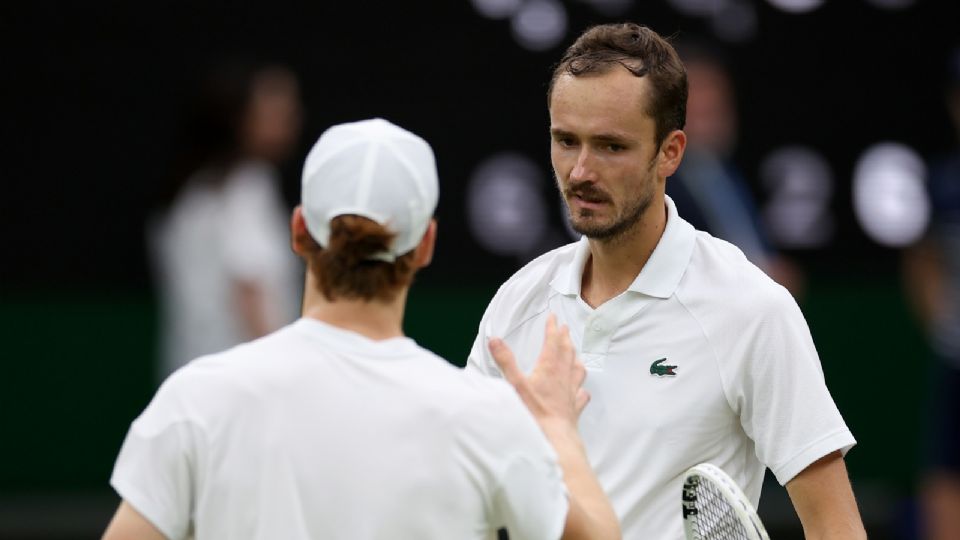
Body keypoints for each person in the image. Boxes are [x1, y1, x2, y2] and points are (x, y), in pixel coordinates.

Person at [103, 118, 620, 539]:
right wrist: (558, 431)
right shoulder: (487, 417)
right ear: (426, 246)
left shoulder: (196, 400)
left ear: (300, 229)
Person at [466, 23, 866, 538]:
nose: (581, 171)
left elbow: (836, 525)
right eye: (566, 141)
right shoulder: (514, 306)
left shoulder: (751, 308)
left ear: (671, 152)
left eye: (611, 146)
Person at [149, 62, 303, 379]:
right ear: (238, 118)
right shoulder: (247, 189)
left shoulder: (192, 193)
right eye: (274, 109)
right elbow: (250, 290)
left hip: (193, 383)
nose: (291, 119)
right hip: (243, 390)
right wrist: (287, 377)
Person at [668, 43, 804, 297]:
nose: (711, 102)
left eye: (718, 93)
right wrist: (757, 278)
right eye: (699, 92)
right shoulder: (661, 186)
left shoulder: (729, 174)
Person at [902, 47, 960, 540]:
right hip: (954, 359)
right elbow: (920, 263)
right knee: (944, 471)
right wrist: (945, 328)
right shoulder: (943, 183)